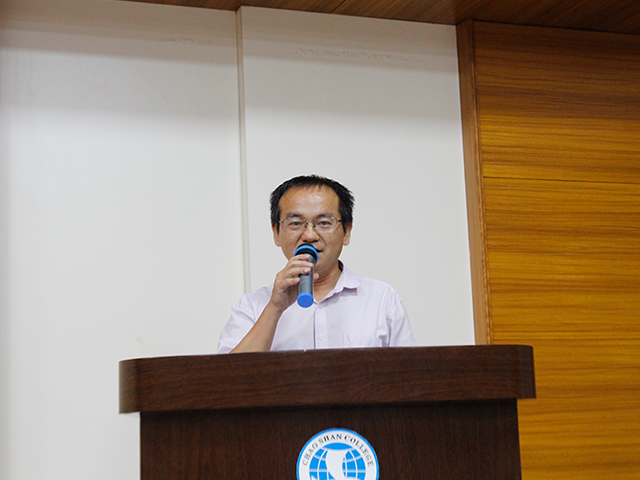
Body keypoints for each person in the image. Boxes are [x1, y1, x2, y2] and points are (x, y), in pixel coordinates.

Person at [217, 175, 415, 353]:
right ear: (276, 233)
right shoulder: (252, 306)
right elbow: (229, 377)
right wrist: (275, 308)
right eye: (295, 223)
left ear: (346, 231)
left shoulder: (382, 300)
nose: (310, 235)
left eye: (324, 223)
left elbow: (410, 375)